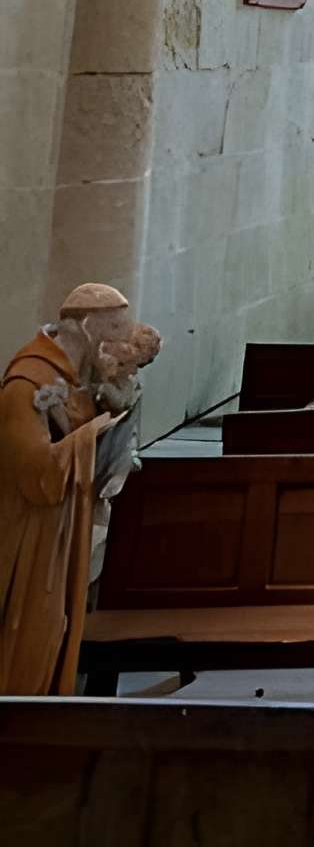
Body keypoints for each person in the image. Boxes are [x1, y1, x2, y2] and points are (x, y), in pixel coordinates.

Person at [0, 282, 160, 693]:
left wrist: (110, 418)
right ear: (88, 330)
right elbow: (39, 480)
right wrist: (93, 433)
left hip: (62, 531)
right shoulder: (28, 382)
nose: (114, 351)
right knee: (30, 633)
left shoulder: (72, 380)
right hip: (28, 540)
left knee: (55, 628)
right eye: (111, 338)